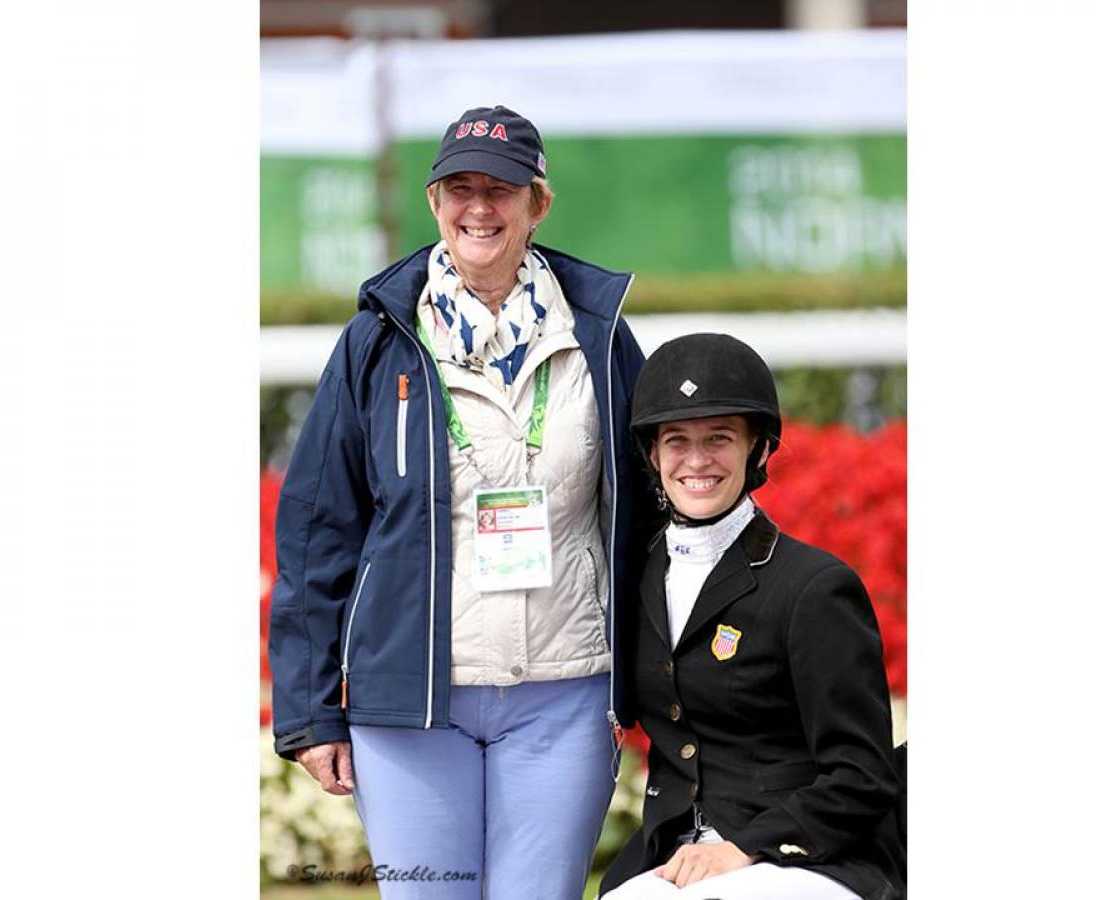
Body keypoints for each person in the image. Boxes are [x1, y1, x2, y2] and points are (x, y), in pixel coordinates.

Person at [268, 105, 651, 899]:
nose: (481, 206)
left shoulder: (602, 334)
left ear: (537, 204)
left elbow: (648, 507)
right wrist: (310, 711)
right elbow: (318, 525)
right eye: (460, 188)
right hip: (410, 706)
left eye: (502, 189)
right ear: (435, 202)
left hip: (565, 695)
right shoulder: (377, 338)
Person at [600, 334, 905, 900]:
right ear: (652, 454)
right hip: (674, 856)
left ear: (757, 450)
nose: (696, 461)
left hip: (806, 858)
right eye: (677, 441)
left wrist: (743, 848)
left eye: (718, 439)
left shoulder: (813, 588)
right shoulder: (635, 577)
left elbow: (862, 776)